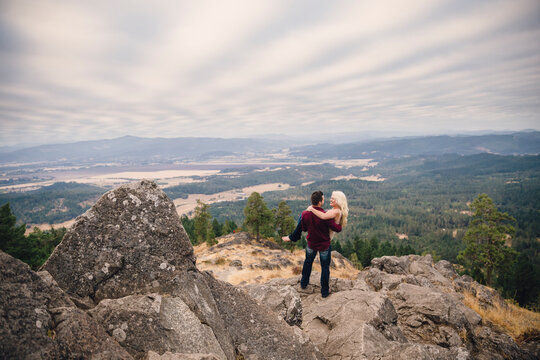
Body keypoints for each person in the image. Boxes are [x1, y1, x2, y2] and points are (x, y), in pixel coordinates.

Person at [282, 191, 342, 297]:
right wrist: (340, 221)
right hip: (324, 245)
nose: (324, 200)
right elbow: (337, 229)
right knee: (325, 267)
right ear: (320, 202)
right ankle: (324, 292)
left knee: (308, 262)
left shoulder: (306, 214)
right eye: (323, 199)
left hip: (311, 244)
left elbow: (303, 228)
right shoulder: (326, 216)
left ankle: (304, 284)